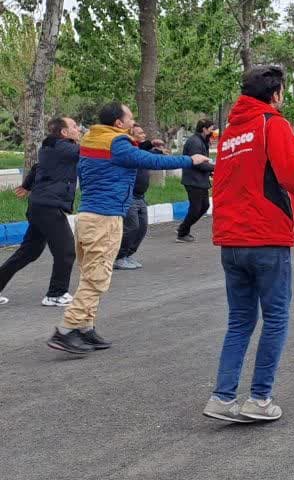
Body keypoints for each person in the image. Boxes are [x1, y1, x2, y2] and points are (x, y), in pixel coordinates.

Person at [202, 65, 294, 423]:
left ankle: (223, 397)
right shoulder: (273, 124)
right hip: (265, 238)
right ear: (276, 94)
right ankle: (259, 399)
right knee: (276, 318)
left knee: (240, 320)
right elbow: (292, 174)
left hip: (231, 241)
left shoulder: (231, 133)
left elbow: (221, 183)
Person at [47, 103, 204, 355]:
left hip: (88, 216)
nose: (133, 122)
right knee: (97, 278)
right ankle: (65, 330)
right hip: (104, 218)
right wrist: (190, 160)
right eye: (130, 118)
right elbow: (149, 161)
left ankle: (85, 328)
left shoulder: (92, 139)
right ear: (118, 123)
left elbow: (127, 157)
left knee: (91, 276)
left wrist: (143, 145)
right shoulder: (117, 142)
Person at [0, 117, 81, 308]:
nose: (78, 129)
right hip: (48, 207)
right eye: (74, 126)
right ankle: (56, 294)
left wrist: (27, 185)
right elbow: (90, 150)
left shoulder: (51, 147)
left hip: (40, 206)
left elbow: (38, 168)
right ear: (64, 132)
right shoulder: (64, 147)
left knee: (29, 252)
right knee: (66, 251)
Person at [115, 125, 166, 269]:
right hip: (129, 195)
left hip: (140, 196)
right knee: (132, 226)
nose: (144, 135)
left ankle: (127, 254)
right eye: (140, 133)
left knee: (142, 228)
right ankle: (119, 257)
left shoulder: (141, 150)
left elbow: (149, 154)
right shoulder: (128, 151)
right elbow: (139, 150)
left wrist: (158, 151)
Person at [176, 119, 216, 242]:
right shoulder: (195, 142)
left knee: (204, 206)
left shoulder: (201, 141)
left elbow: (204, 162)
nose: (213, 132)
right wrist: (216, 167)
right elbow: (197, 163)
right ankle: (182, 233)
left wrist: (211, 171)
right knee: (196, 208)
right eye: (211, 129)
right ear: (204, 129)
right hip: (193, 180)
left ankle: (183, 228)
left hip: (200, 180)